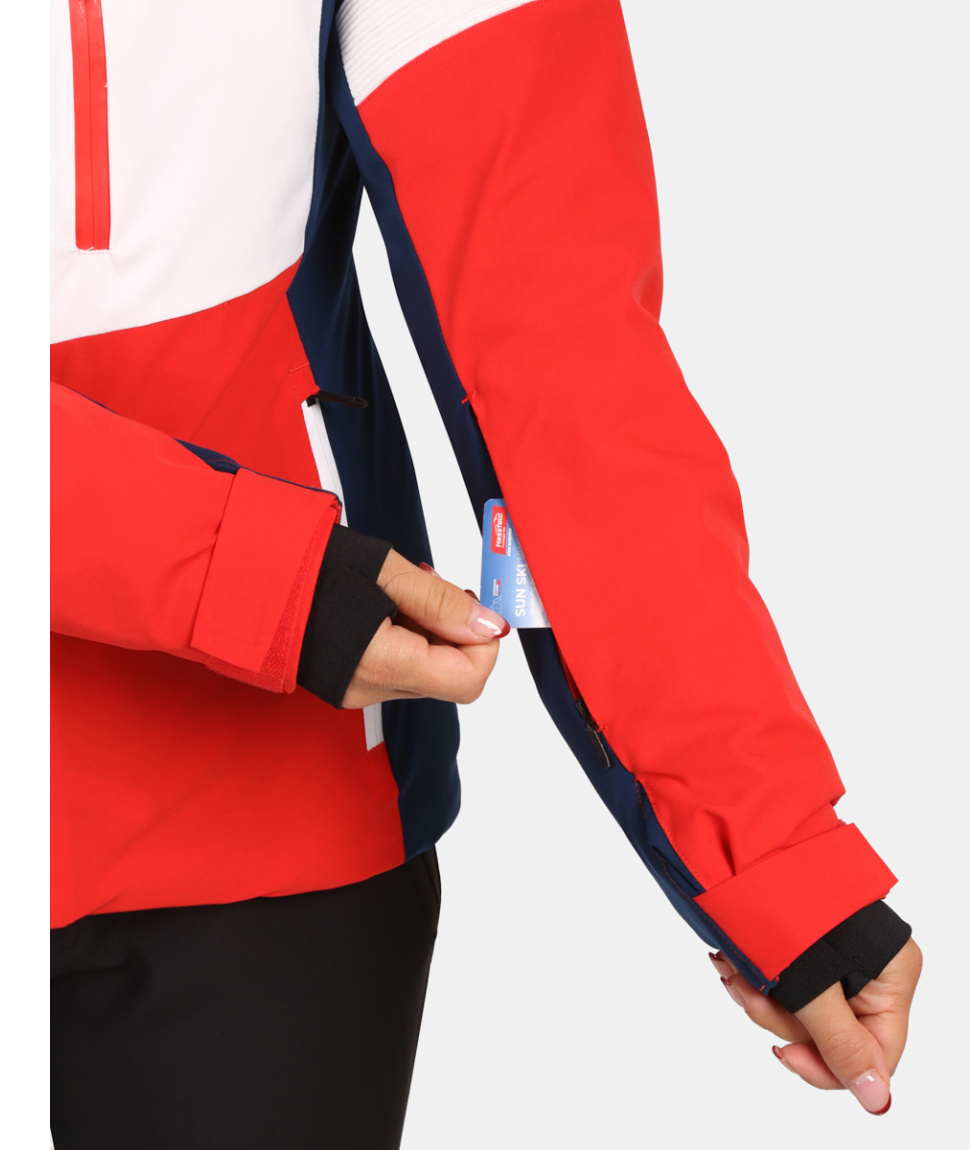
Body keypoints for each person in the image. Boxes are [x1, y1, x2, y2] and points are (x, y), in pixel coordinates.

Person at [50, 1, 922, 1146]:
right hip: (290, 653)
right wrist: (239, 569)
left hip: (272, 816)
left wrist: (770, 847)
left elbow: (560, 353)